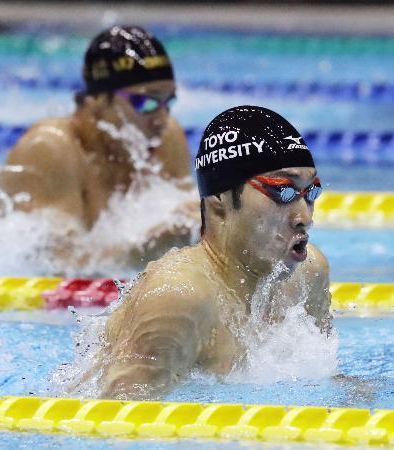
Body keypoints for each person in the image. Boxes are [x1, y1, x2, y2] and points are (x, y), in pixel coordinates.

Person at [78, 106, 332, 400]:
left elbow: (324, 386)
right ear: (219, 200)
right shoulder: (179, 297)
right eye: (283, 192)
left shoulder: (309, 274)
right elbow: (118, 423)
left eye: (311, 193)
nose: (304, 216)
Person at [0, 26, 193, 229]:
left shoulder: (169, 137)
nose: (161, 119)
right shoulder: (50, 150)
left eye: (168, 102)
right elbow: (59, 257)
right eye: (145, 103)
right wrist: (148, 244)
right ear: (98, 99)